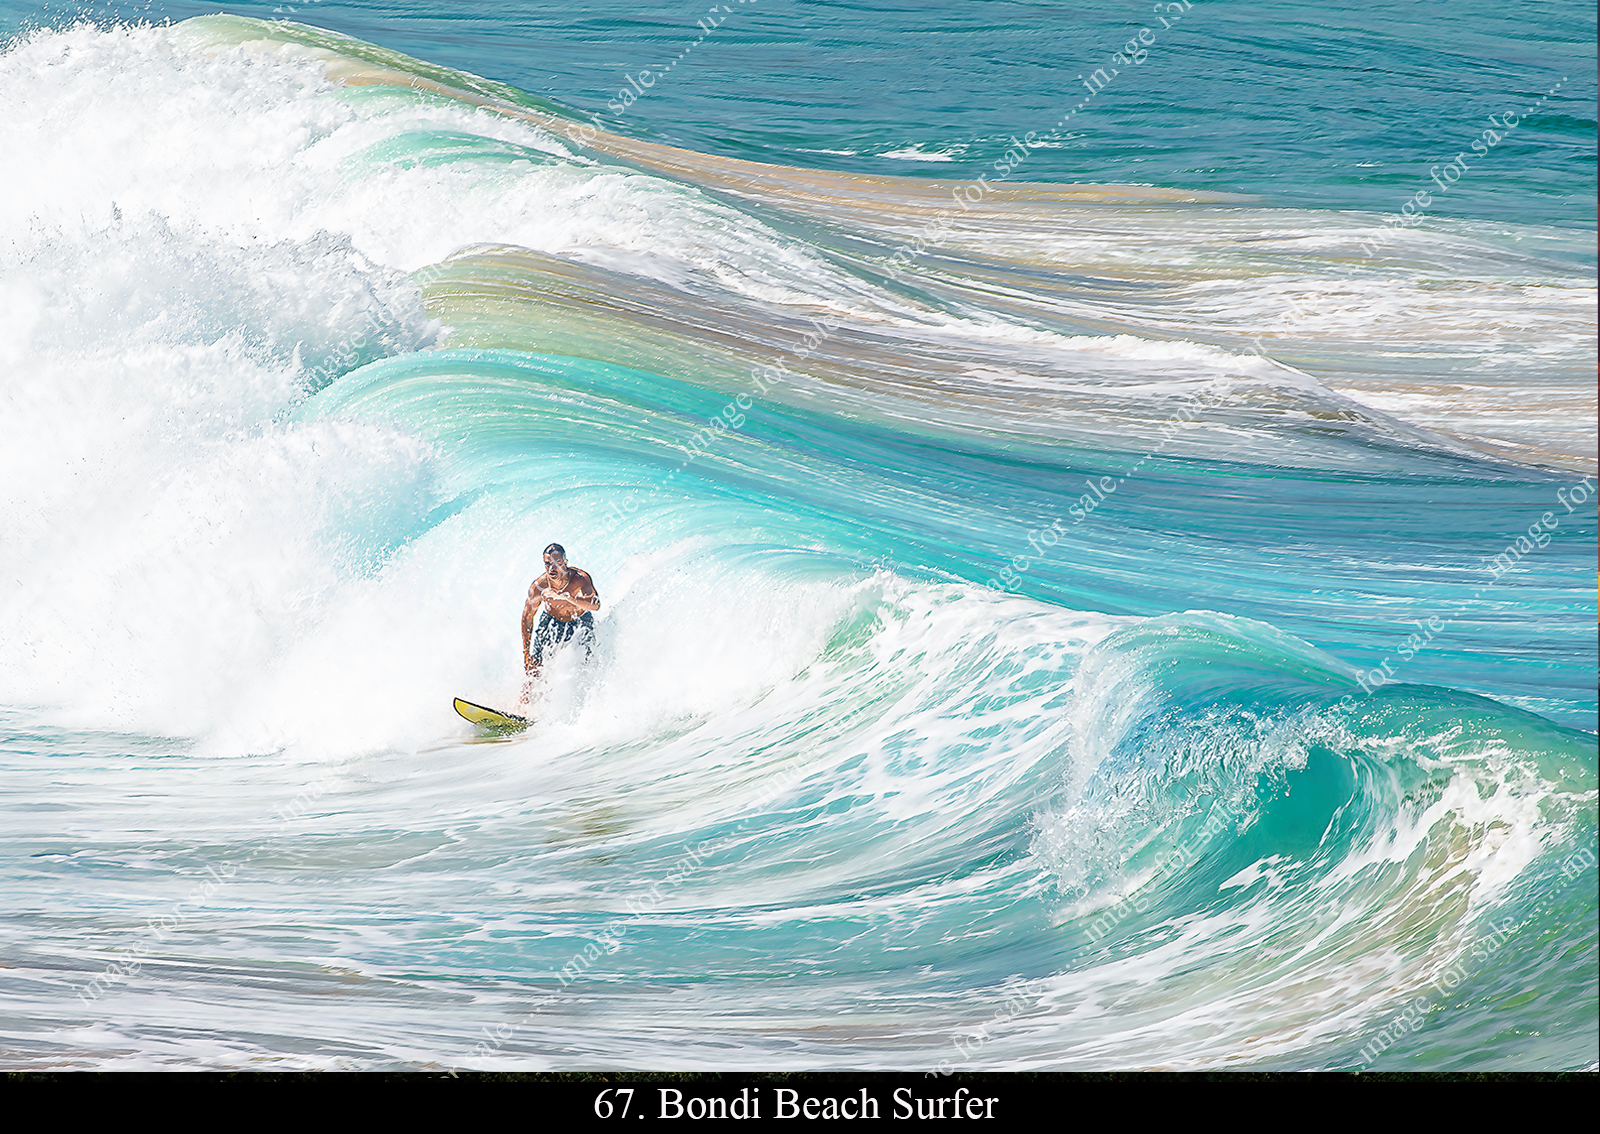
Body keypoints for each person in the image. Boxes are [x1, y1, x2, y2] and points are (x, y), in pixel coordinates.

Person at [521, 543, 600, 682]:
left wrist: (566, 597)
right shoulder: (539, 586)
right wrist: (526, 652)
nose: (552, 568)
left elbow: (595, 604)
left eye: (557, 563)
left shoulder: (579, 578)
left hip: (580, 621)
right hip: (552, 622)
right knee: (534, 669)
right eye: (548, 563)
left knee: (586, 664)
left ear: (565, 562)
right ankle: (525, 703)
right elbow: (527, 617)